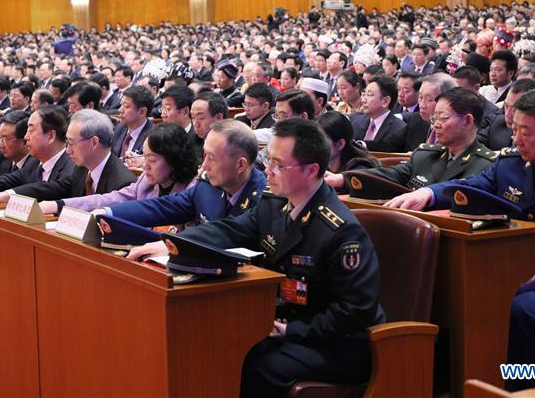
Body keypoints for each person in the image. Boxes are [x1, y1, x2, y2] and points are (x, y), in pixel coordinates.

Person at [385, 89, 535, 390]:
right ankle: (459, 384)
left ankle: (521, 391)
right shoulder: (510, 163)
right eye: (514, 130)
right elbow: (469, 187)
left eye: (526, 133)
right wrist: (428, 193)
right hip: (506, 271)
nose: (516, 140)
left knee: (517, 306)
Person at [129, 118, 385, 396]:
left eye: (279, 165)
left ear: (312, 170)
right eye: (269, 162)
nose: (269, 172)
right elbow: (230, 230)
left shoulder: (340, 231)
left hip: (339, 343)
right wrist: (171, 245)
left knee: (256, 364)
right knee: (216, 342)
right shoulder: (274, 204)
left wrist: (292, 331)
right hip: (285, 322)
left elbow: (354, 311)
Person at [100, 119, 265, 227]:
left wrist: (169, 244)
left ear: (240, 165)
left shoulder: (264, 200)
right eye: (204, 155)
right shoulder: (206, 185)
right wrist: (108, 212)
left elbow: (226, 234)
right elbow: (162, 207)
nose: (204, 166)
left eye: (212, 158)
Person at [346, 88, 497, 189]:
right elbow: (389, 175)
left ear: (468, 121)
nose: (436, 125)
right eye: (434, 118)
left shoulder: (487, 165)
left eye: (443, 118)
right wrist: (345, 178)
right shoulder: (425, 155)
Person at [42, 123, 198, 214]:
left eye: (152, 160)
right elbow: (110, 199)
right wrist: (58, 205)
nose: (145, 166)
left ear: (174, 159)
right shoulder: (145, 182)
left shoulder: (193, 190)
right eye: (144, 158)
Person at [478, 79, 535, 150]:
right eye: (506, 106)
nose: (507, 114)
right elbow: (472, 147)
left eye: (515, 109)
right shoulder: (497, 123)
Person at [350, 75, 406, 153]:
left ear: (385, 101)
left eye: (370, 95)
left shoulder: (399, 128)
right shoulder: (355, 121)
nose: (363, 100)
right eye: (364, 94)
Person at [111, 85, 154, 158]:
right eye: (121, 105)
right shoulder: (120, 127)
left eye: (126, 106)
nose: (120, 110)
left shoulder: (153, 137)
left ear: (142, 112)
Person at [190, 91, 227, 161]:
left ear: (218, 118)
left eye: (201, 118)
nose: (195, 124)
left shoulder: (232, 145)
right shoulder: (191, 142)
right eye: (193, 117)